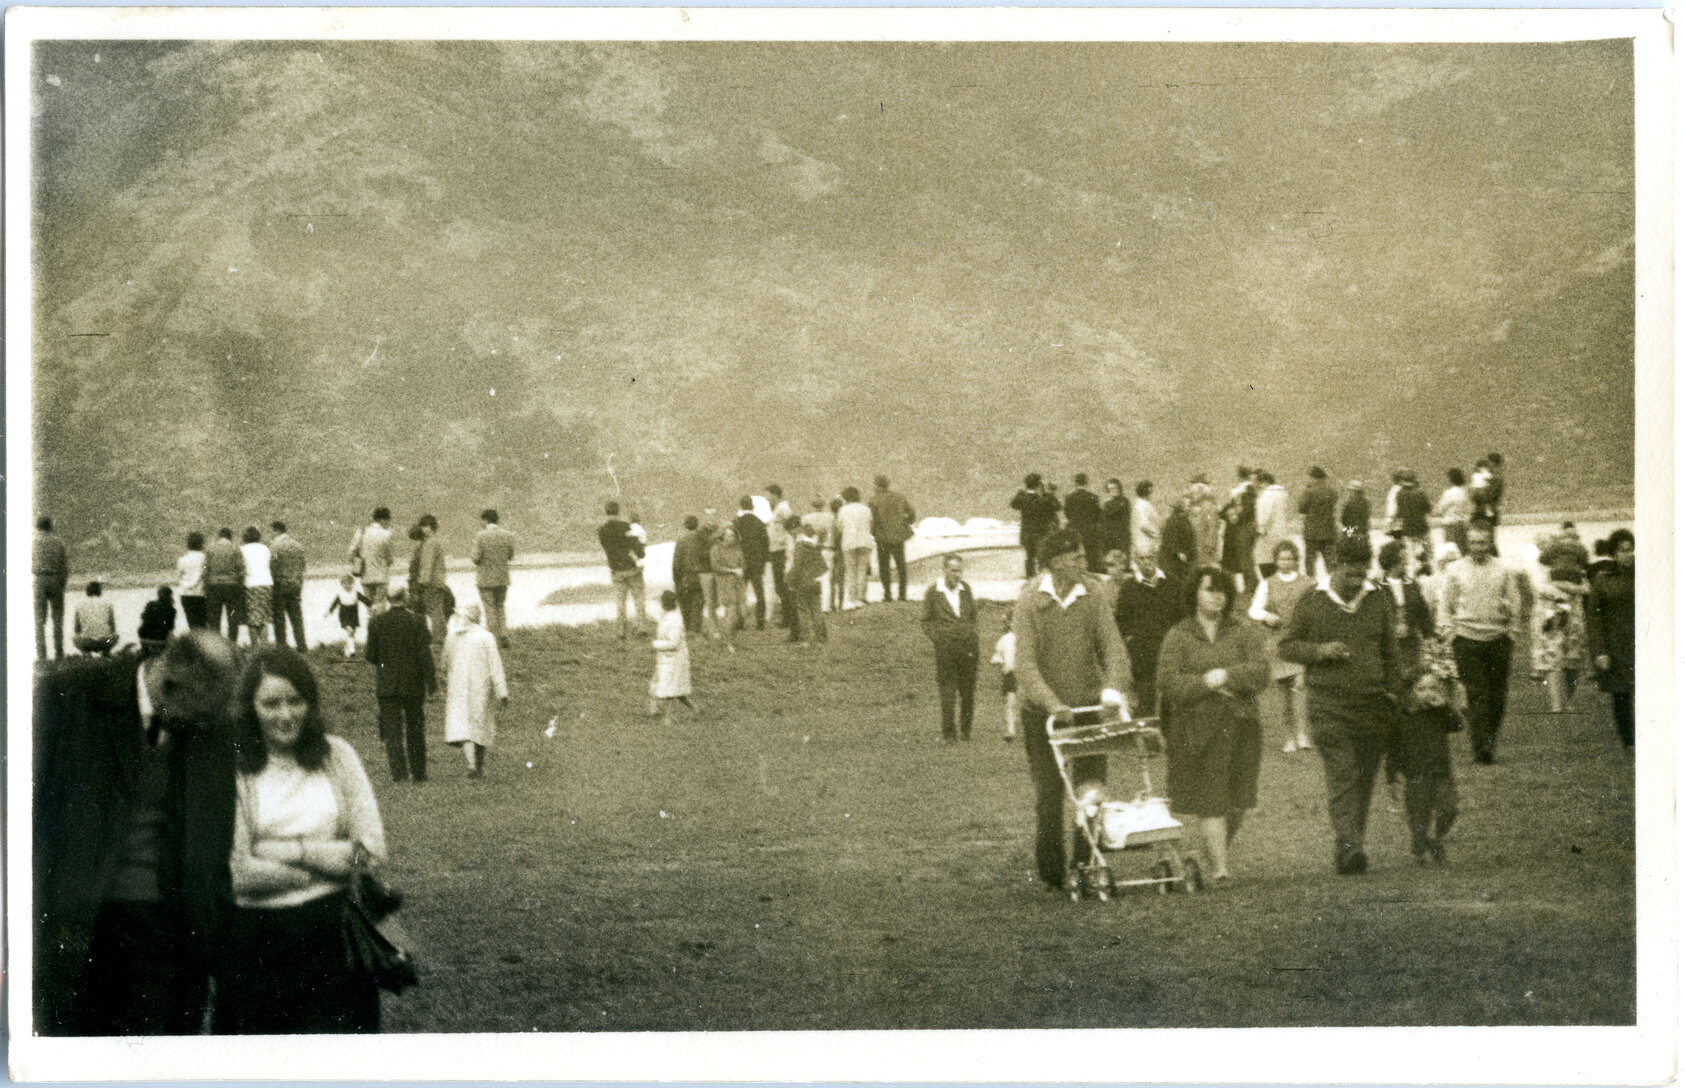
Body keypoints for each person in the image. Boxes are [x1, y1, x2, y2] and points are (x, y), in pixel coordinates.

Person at [32, 630, 240, 1035]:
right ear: (170, 681)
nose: (203, 726)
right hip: (72, 918)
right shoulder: (67, 695)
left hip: (163, 923)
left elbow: (214, 839)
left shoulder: (211, 720)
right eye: (197, 715)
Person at [216, 645, 386, 1034]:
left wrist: (283, 850)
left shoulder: (338, 756)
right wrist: (330, 868)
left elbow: (370, 853)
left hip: (336, 940)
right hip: (256, 947)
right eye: (270, 703)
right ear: (249, 707)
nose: (286, 714)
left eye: (295, 700)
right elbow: (240, 874)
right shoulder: (233, 767)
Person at [1014, 528, 1131, 891]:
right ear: (1055, 562)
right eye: (1076, 556)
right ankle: (1052, 871)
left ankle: (1086, 862)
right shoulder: (1030, 600)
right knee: (1049, 793)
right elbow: (1025, 665)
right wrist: (1052, 703)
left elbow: (1113, 648)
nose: (1084, 561)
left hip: (1087, 708)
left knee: (1091, 791)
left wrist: (1111, 690)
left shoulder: (1093, 593)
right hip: (1043, 713)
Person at [1278, 534, 1399, 875]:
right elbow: (1286, 646)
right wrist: (1320, 651)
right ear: (1335, 565)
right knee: (1343, 774)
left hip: (1372, 705)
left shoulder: (1378, 599)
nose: (1357, 581)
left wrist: (1395, 694)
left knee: (1363, 780)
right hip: (1328, 706)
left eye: (1362, 573)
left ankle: (1348, 847)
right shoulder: (1312, 600)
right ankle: (1350, 848)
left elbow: (1390, 652)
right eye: (1350, 574)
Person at [1157, 566, 1269, 884]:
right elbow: (1168, 683)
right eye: (1209, 589)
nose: (1217, 596)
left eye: (1222, 590)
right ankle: (1220, 870)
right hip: (1197, 729)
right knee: (1212, 799)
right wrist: (1206, 682)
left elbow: (1261, 672)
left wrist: (1228, 676)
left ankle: (1209, 854)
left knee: (1239, 801)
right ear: (1194, 593)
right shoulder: (1178, 635)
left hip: (1242, 724)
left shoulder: (1243, 630)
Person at [1438, 523, 1524, 764]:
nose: (1478, 547)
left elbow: (1515, 601)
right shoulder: (1455, 570)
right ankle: (1481, 749)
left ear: (1490, 543)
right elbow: (1445, 604)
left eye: (1483, 542)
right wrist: (1450, 633)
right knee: (1476, 693)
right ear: (1467, 543)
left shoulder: (1504, 569)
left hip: (1498, 639)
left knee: (1497, 696)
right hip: (1466, 639)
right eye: (1474, 542)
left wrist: (1512, 632)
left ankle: (1489, 740)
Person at [366, 586, 437, 783]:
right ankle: (419, 773)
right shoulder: (418, 620)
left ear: (389, 600)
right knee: (415, 729)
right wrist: (431, 681)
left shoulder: (376, 622)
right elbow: (424, 654)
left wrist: (384, 665)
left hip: (387, 684)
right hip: (413, 682)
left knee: (392, 732)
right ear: (405, 598)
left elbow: (370, 656)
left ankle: (399, 774)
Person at [1392, 666, 1461, 864]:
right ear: (1410, 691)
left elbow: (1458, 725)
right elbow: (1394, 748)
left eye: (1433, 688)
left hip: (1441, 771)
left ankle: (1436, 838)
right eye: (1421, 689)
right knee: (1418, 814)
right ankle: (1420, 849)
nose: (1428, 693)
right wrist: (1392, 775)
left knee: (1449, 807)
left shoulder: (1439, 712)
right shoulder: (1402, 717)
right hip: (1415, 774)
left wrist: (1444, 706)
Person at [1249, 541, 1313, 752]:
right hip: (1277, 642)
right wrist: (1266, 615)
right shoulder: (1267, 583)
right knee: (1283, 690)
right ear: (1276, 561)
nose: (1285, 562)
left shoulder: (1308, 583)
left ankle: (1302, 734)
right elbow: (1254, 610)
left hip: (1300, 640)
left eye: (1289, 559)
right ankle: (1288, 737)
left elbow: (1317, 607)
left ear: (1296, 560)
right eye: (1281, 559)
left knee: (1299, 687)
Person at [1113, 543, 1186, 718]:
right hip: (1142, 657)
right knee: (1145, 705)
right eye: (1141, 559)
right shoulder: (1129, 588)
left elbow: (1183, 619)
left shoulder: (1173, 583)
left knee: (1172, 704)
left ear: (1156, 557)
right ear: (1135, 561)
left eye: (1150, 557)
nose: (1146, 562)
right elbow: (1121, 624)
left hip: (1170, 653)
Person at [443, 601, 508, 778]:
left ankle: (472, 765)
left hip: (458, 687)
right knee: (480, 723)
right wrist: (502, 692)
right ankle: (477, 764)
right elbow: (495, 666)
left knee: (464, 725)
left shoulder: (451, 636)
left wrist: (447, 675)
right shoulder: (486, 637)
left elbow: (445, 662)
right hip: (481, 686)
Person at [921, 554, 980, 742]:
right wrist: (939, 638)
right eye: (953, 571)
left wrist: (971, 633)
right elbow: (926, 621)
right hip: (946, 649)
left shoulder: (966, 589)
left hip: (968, 648)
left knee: (968, 691)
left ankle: (966, 730)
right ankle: (949, 733)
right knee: (947, 691)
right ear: (945, 570)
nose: (957, 575)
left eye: (959, 571)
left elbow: (973, 615)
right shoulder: (933, 592)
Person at [1585, 529, 1635, 749]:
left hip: (1642, 643)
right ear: (1614, 553)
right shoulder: (1603, 580)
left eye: (1630, 550)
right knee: (1621, 695)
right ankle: (1629, 741)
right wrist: (1599, 651)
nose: (1628, 554)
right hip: (1616, 647)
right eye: (1623, 550)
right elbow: (1594, 619)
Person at [1378, 539, 1435, 675]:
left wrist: (1429, 636)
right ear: (1393, 561)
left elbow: (1423, 612)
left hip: (1411, 643)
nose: (1406, 562)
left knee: (1412, 675)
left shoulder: (1412, 584)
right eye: (1402, 559)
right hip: (1388, 643)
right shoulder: (1378, 586)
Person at [471, 508, 517, 647]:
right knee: (500, 606)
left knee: (489, 608)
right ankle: (503, 634)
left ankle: (493, 638)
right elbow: (510, 556)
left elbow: (475, 557)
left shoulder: (480, 536)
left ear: (485, 520)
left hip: (485, 579)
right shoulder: (508, 535)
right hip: (502, 577)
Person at [650, 590, 697, 723]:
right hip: (667, 659)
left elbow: (674, 643)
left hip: (674, 660)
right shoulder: (668, 616)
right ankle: (694, 709)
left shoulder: (675, 620)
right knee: (677, 691)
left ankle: (668, 718)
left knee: (667, 692)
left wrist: (655, 644)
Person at [869, 475, 916, 603]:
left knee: (884, 567)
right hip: (898, 537)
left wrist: (874, 532)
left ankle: (887, 594)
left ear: (876, 486)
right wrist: (906, 523)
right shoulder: (899, 497)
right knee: (901, 566)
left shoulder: (874, 500)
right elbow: (912, 513)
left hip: (882, 538)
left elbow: (872, 520)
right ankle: (902, 595)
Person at [786, 516, 829, 646]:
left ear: (794, 529)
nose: (791, 535)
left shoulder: (800, 545)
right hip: (816, 581)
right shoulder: (814, 543)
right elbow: (823, 565)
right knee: (816, 610)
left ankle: (806, 639)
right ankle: (821, 638)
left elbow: (797, 566)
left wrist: (789, 580)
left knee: (803, 610)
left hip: (803, 582)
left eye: (790, 532)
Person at [1010, 473, 1062, 579]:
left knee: (1029, 556)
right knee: (1042, 556)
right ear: (1039, 484)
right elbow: (1057, 506)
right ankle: (1042, 577)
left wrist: (1020, 493)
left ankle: (1030, 577)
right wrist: (1049, 493)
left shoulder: (1023, 498)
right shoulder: (1043, 499)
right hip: (1040, 532)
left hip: (1027, 532)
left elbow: (1014, 504)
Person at [34, 515, 70, 660]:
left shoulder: (32, 542)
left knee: (39, 620)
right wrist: (62, 583)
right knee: (58, 619)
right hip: (55, 579)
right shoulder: (58, 542)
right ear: (50, 526)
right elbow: (64, 566)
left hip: (39, 579)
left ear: (38, 527)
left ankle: (41, 655)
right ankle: (59, 653)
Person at [269, 521, 309, 653]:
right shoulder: (298, 545)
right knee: (296, 617)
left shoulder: (275, 546)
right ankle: (302, 646)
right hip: (296, 585)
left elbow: (272, 566)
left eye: (271, 531)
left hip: (280, 585)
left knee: (279, 618)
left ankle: (282, 647)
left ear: (276, 531)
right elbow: (303, 566)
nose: (270, 535)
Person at [735, 496, 773, 630]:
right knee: (759, 593)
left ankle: (740, 622)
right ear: (752, 507)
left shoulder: (736, 522)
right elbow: (765, 544)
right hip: (757, 562)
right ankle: (760, 622)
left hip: (741, 563)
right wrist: (764, 560)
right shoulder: (759, 523)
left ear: (741, 507)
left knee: (740, 593)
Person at [203, 527, 247, 640]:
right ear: (230, 537)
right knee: (232, 617)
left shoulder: (210, 549)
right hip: (232, 586)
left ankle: (216, 644)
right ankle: (232, 642)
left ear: (219, 536)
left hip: (214, 585)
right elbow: (241, 569)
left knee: (214, 618)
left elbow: (205, 569)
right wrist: (240, 586)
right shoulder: (235, 549)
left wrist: (206, 586)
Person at [1219, 468, 1258, 595]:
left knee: (1244, 559)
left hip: (1241, 529)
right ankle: (1249, 587)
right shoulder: (1250, 491)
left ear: (1239, 477)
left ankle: (1250, 587)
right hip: (1244, 528)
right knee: (1245, 559)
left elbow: (1228, 512)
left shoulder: (1244, 491)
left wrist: (1233, 516)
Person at [351, 507, 397, 615]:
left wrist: (359, 562)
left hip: (365, 576)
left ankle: (372, 623)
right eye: (388, 521)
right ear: (383, 520)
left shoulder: (361, 532)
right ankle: (380, 624)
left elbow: (351, 552)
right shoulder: (387, 534)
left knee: (370, 606)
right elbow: (390, 559)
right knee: (380, 606)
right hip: (381, 577)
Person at [413, 514, 449, 649]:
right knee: (438, 610)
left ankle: (438, 639)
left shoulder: (430, 543)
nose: (423, 529)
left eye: (426, 526)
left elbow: (427, 566)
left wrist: (422, 583)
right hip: (438, 581)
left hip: (431, 583)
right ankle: (443, 637)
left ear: (431, 527)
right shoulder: (436, 541)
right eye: (422, 526)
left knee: (434, 611)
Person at [837, 486, 875, 609]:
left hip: (849, 542)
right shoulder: (866, 509)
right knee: (862, 570)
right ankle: (861, 596)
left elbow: (839, 527)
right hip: (865, 542)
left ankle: (852, 598)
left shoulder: (843, 510)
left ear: (845, 497)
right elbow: (871, 524)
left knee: (851, 571)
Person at [711, 523, 747, 650]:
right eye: (728, 535)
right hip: (725, 584)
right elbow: (715, 566)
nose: (730, 538)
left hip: (738, 584)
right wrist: (732, 571)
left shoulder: (737, 549)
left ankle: (728, 635)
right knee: (732, 614)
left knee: (742, 614)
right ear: (723, 536)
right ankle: (729, 642)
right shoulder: (716, 549)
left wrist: (741, 570)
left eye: (732, 535)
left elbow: (743, 564)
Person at [1299, 467, 1339, 581]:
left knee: (1310, 560)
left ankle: (1311, 581)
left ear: (1314, 478)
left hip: (1312, 532)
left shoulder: (1309, 491)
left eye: (1310, 477)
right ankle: (1333, 580)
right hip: (1328, 531)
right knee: (1330, 559)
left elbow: (1302, 508)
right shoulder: (1332, 491)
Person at [670, 515, 707, 634]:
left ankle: (688, 628)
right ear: (697, 525)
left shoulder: (681, 541)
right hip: (699, 576)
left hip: (685, 577)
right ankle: (696, 629)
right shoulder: (701, 539)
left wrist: (676, 579)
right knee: (698, 604)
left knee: (686, 604)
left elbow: (676, 562)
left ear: (685, 525)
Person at [1252, 471, 1291, 581]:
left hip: (1268, 534)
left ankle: (1270, 584)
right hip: (1282, 531)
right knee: (1279, 559)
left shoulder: (1266, 495)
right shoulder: (1283, 494)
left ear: (1264, 482)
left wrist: (1261, 528)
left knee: (1265, 561)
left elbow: (1264, 516)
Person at [801, 498, 837, 614]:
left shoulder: (806, 518)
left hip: (812, 549)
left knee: (812, 578)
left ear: (812, 506)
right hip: (827, 549)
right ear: (823, 505)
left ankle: (812, 606)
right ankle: (826, 607)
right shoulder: (830, 517)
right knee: (827, 579)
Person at [765, 484, 795, 627]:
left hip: (781, 550)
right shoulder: (775, 509)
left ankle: (788, 618)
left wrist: (787, 541)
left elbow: (792, 524)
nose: (767, 498)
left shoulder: (783, 508)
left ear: (775, 495)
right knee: (779, 585)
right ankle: (787, 616)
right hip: (775, 550)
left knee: (782, 585)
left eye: (768, 495)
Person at [239, 527, 273, 645]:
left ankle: (254, 646)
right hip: (266, 584)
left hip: (250, 585)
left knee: (252, 620)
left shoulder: (242, 550)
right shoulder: (265, 549)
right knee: (263, 619)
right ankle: (265, 645)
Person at [1064, 473, 1105, 573]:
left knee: (1076, 556)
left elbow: (1067, 514)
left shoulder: (1069, 498)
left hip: (1074, 530)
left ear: (1075, 483)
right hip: (1090, 530)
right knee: (1091, 556)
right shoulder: (1093, 497)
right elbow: (1098, 515)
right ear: (1086, 483)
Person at [325, 574, 372, 657]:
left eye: (349, 583)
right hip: (344, 614)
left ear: (352, 584)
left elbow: (364, 599)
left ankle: (347, 649)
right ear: (342, 584)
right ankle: (352, 651)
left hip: (353, 614)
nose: (347, 586)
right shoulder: (340, 594)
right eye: (345, 584)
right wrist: (329, 611)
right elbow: (334, 604)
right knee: (349, 630)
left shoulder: (355, 593)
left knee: (352, 632)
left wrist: (371, 605)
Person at [990, 605, 1018, 741]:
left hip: (1024, 674)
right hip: (1010, 674)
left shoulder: (1026, 637)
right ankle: (1010, 731)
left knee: (1024, 703)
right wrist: (999, 661)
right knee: (1011, 702)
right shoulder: (1005, 639)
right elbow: (997, 655)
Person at [1432, 468, 1474, 557]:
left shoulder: (1448, 493)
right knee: (1462, 548)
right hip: (1461, 523)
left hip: (1450, 524)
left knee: (1451, 549)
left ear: (1451, 479)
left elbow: (1440, 509)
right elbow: (1469, 509)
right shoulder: (1464, 492)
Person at [73, 580, 120, 655]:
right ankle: (106, 652)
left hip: (86, 642)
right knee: (115, 636)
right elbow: (112, 627)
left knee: (75, 638)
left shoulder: (79, 604)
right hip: (105, 641)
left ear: (87, 591)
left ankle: (86, 654)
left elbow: (77, 629)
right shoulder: (108, 603)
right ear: (100, 591)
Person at [1395, 472, 1433, 564]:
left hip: (1408, 528)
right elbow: (1428, 509)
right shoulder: (1420, 493)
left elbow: (1400, 512)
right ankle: (1427, 566)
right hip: (1422, 527)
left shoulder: (1399, 494)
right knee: (1427, 553)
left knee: (1411, 554)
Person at [176, 531, 209, 631]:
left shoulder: (182, 560)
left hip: (185, 593)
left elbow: (179, 576)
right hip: (201, 593)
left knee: (192, 624)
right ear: (201, 543)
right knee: (202, 624)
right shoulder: (205, 558)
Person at [1159, 499, 1196, 585]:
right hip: (1174, 556)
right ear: (1181, 508)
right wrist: (1179, 552)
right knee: (1175, 579)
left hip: (1184, 555)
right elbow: (1171, 538)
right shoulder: (1173, 520)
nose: (1190, 508)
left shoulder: (1185, 519)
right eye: (1188, 506)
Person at [1099, 478, 1133, 565]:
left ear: (1119, 489)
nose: (1113, 491)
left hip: (1122, 535)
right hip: (1110, 536)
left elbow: (1125, 518)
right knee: (1112, 562)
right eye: (1110, 489)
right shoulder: (1108, 504)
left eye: (1115, 488)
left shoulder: (1124, 501)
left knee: (1123, 561)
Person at [138, 587, 178, 657]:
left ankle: (146, 653)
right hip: (160, 640)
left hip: (143, 638)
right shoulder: (171, 609)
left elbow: (142, 619)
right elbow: (170, 628)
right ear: (170, 595)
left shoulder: (150, 604)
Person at [1131, 481, 1160, 563]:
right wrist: (1158, 534)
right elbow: (1143, 525)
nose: (1153, 493)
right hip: (1145, 542)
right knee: (1147, 563)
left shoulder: (1144, 504)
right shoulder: (1141, 506)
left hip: (1147, 541)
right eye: (1151, 491)